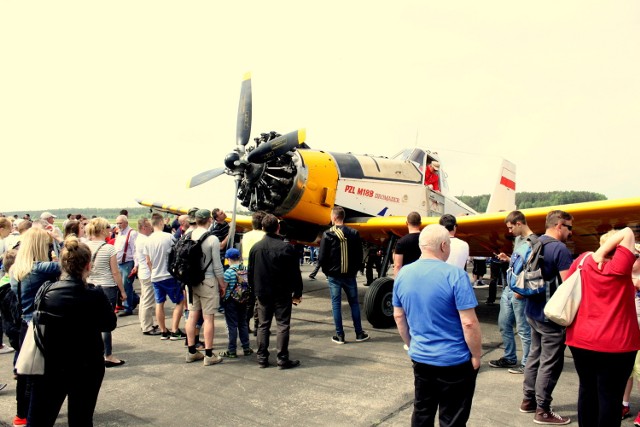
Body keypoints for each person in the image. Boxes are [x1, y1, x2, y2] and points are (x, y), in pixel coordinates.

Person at [393, 224, 481, 426]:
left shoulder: (403, 274)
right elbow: (468, 322)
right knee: (452, 418)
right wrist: (476, 355)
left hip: (421, 358)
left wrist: (412, 343)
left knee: (422, 411)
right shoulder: (456, 275)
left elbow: (399, 317)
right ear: (443, 245)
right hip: (454, 361)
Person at [27, 236, 117, 426]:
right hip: (86, 365)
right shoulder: (95, 294)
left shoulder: (46, 291)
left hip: (50, 363)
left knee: (40, 418)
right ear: (87, 266)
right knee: (81, 418)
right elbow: (109, 324)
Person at [564, 227, 639, 426]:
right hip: (616, 344)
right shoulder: (620, 268)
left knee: (587, 390)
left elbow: (567, 283)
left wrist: (598, 252)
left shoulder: (582, 261)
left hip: (581, 339)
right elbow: (629, 232)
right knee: (610, 396)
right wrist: (605, 250)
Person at [520, 210, 574, 425]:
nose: (571, 232)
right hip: (551, 315)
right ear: (559, 225)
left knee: (535, 355)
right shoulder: (559, 249)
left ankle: (528, 400)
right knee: (550, 362)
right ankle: (543, 410)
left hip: (532, 310)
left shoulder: (534, 243)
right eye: (570, 227)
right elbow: (568, 286)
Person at [9, 228, 62, 426]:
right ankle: (34, 416)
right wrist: (60, 239)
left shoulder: (16, 269)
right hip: (41, 325)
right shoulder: (41, 268)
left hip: (25, 322)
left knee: (25, 372)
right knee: (41, 375)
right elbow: (70, 262)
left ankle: (21, 414)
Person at [248, 214, 302, 369]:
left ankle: (262, 358)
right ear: (278, 227)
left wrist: (253, 290)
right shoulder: (286, 248)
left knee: (263, 325)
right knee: (283, 324)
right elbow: (295, 273)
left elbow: (251, 272)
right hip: (282, 292)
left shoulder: (256, 248)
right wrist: (297, 292)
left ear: (263, 228)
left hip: (263, 292)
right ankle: (282, 359)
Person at [490, 210, 533, 374]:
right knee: (504, 324)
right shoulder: (519, 240)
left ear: (519, 224)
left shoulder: (532, 242)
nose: (509, 231)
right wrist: (508, 259)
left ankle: (527, 363)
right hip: (510, 288)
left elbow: (532, 269)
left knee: (523, 329)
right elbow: (520, 264)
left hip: (519, 292)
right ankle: (510, 358)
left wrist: (522, 290)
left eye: (510, 228)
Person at [318, 206, 369, 344]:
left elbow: (322, 257)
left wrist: (326, 272)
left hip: (334, 276)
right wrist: (354, 270)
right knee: (354, 304)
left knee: (336, 305)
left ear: (334, 217)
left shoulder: (327, 234)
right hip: (349, 275)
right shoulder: (354, 233)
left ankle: (340, 335)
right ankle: (359, 333)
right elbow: (359, 255)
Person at [184, 209, 226, 366]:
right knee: (209, 317)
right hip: (207, 281)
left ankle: (191, 351)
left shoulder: (187, 235)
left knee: (192, 315)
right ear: (209, 220)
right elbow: (217, 265)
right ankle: (209, 354)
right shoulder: (212, 239)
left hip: (191, 282)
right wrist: (222, 284)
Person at [85, 217, 127, 368]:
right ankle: (107, 354)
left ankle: (92, 353)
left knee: (90, 322)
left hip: (89, 285)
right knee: (106, 323)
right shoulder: (109, 248)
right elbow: (115, 272)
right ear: (103, 230)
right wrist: (122, 290)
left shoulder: (84, 246)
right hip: (107, 286)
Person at [143, 213, 186, 341]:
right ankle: (174, 330)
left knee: (159, 303)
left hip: (155, 276)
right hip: (168, 275)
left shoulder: (148, 240)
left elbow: (148, 260)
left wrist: (153, 271)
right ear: (161, 222)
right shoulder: (169, 237)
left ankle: (163, 331)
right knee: (179, 301)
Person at [219, 248, 253, 358]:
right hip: (243, 300)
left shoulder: (228, 272)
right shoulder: (246, 269)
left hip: (231, 301)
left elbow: (224, 288)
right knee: (243, 323)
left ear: (228, 259)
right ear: (239, 257)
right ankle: (246, 348)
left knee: (232, 326)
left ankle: (232, 350)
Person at [240, 211, 266, 334]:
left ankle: (245, 324)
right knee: (259, 300)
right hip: (259, 271)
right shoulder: (265, 236)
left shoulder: (246, 236)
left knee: (247, 300)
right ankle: (257, 326)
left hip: (245, 270)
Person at [135, 217, 158, 336]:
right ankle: (147, 326)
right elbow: (149, 260)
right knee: (148, 301)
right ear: (144, 227)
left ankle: (144, 323)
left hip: (143, 272)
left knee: (144, 299)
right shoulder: (145, 240)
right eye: (149, 226)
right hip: (147, 273)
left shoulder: (139, 238)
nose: (151, 229)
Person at [113, 215, 139, 317]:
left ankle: (128, 308)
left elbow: (135, 250)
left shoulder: (132, 233)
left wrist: (136, 265)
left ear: (126, 223)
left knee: (126, 285)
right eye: (117, 223)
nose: (118, 225)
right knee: (121, 285)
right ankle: (135, 299)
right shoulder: (120, 233)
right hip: (119, 263)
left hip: (127, 263)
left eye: (120, 223)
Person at [393, 211, 422, 276]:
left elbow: (397, 265)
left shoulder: (401, 241)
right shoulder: (427, 239)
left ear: (407, 223)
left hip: (407, 276)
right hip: (423, 276)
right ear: (420, 223)